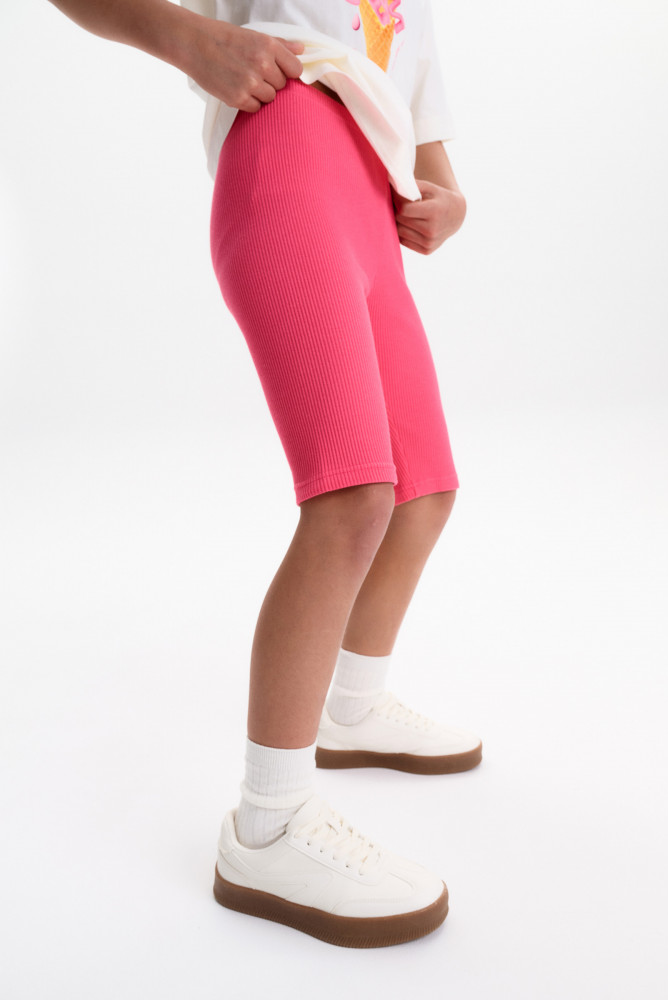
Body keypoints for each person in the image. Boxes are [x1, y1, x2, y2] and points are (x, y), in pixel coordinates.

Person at [48, 0, 482, 948]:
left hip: (369, 199)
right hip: (288, 150)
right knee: (352, 492)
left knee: (424, 490)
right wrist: (196, 41)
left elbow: (422, 122)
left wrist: (449, 198)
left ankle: (352, 707)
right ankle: (268, 824)